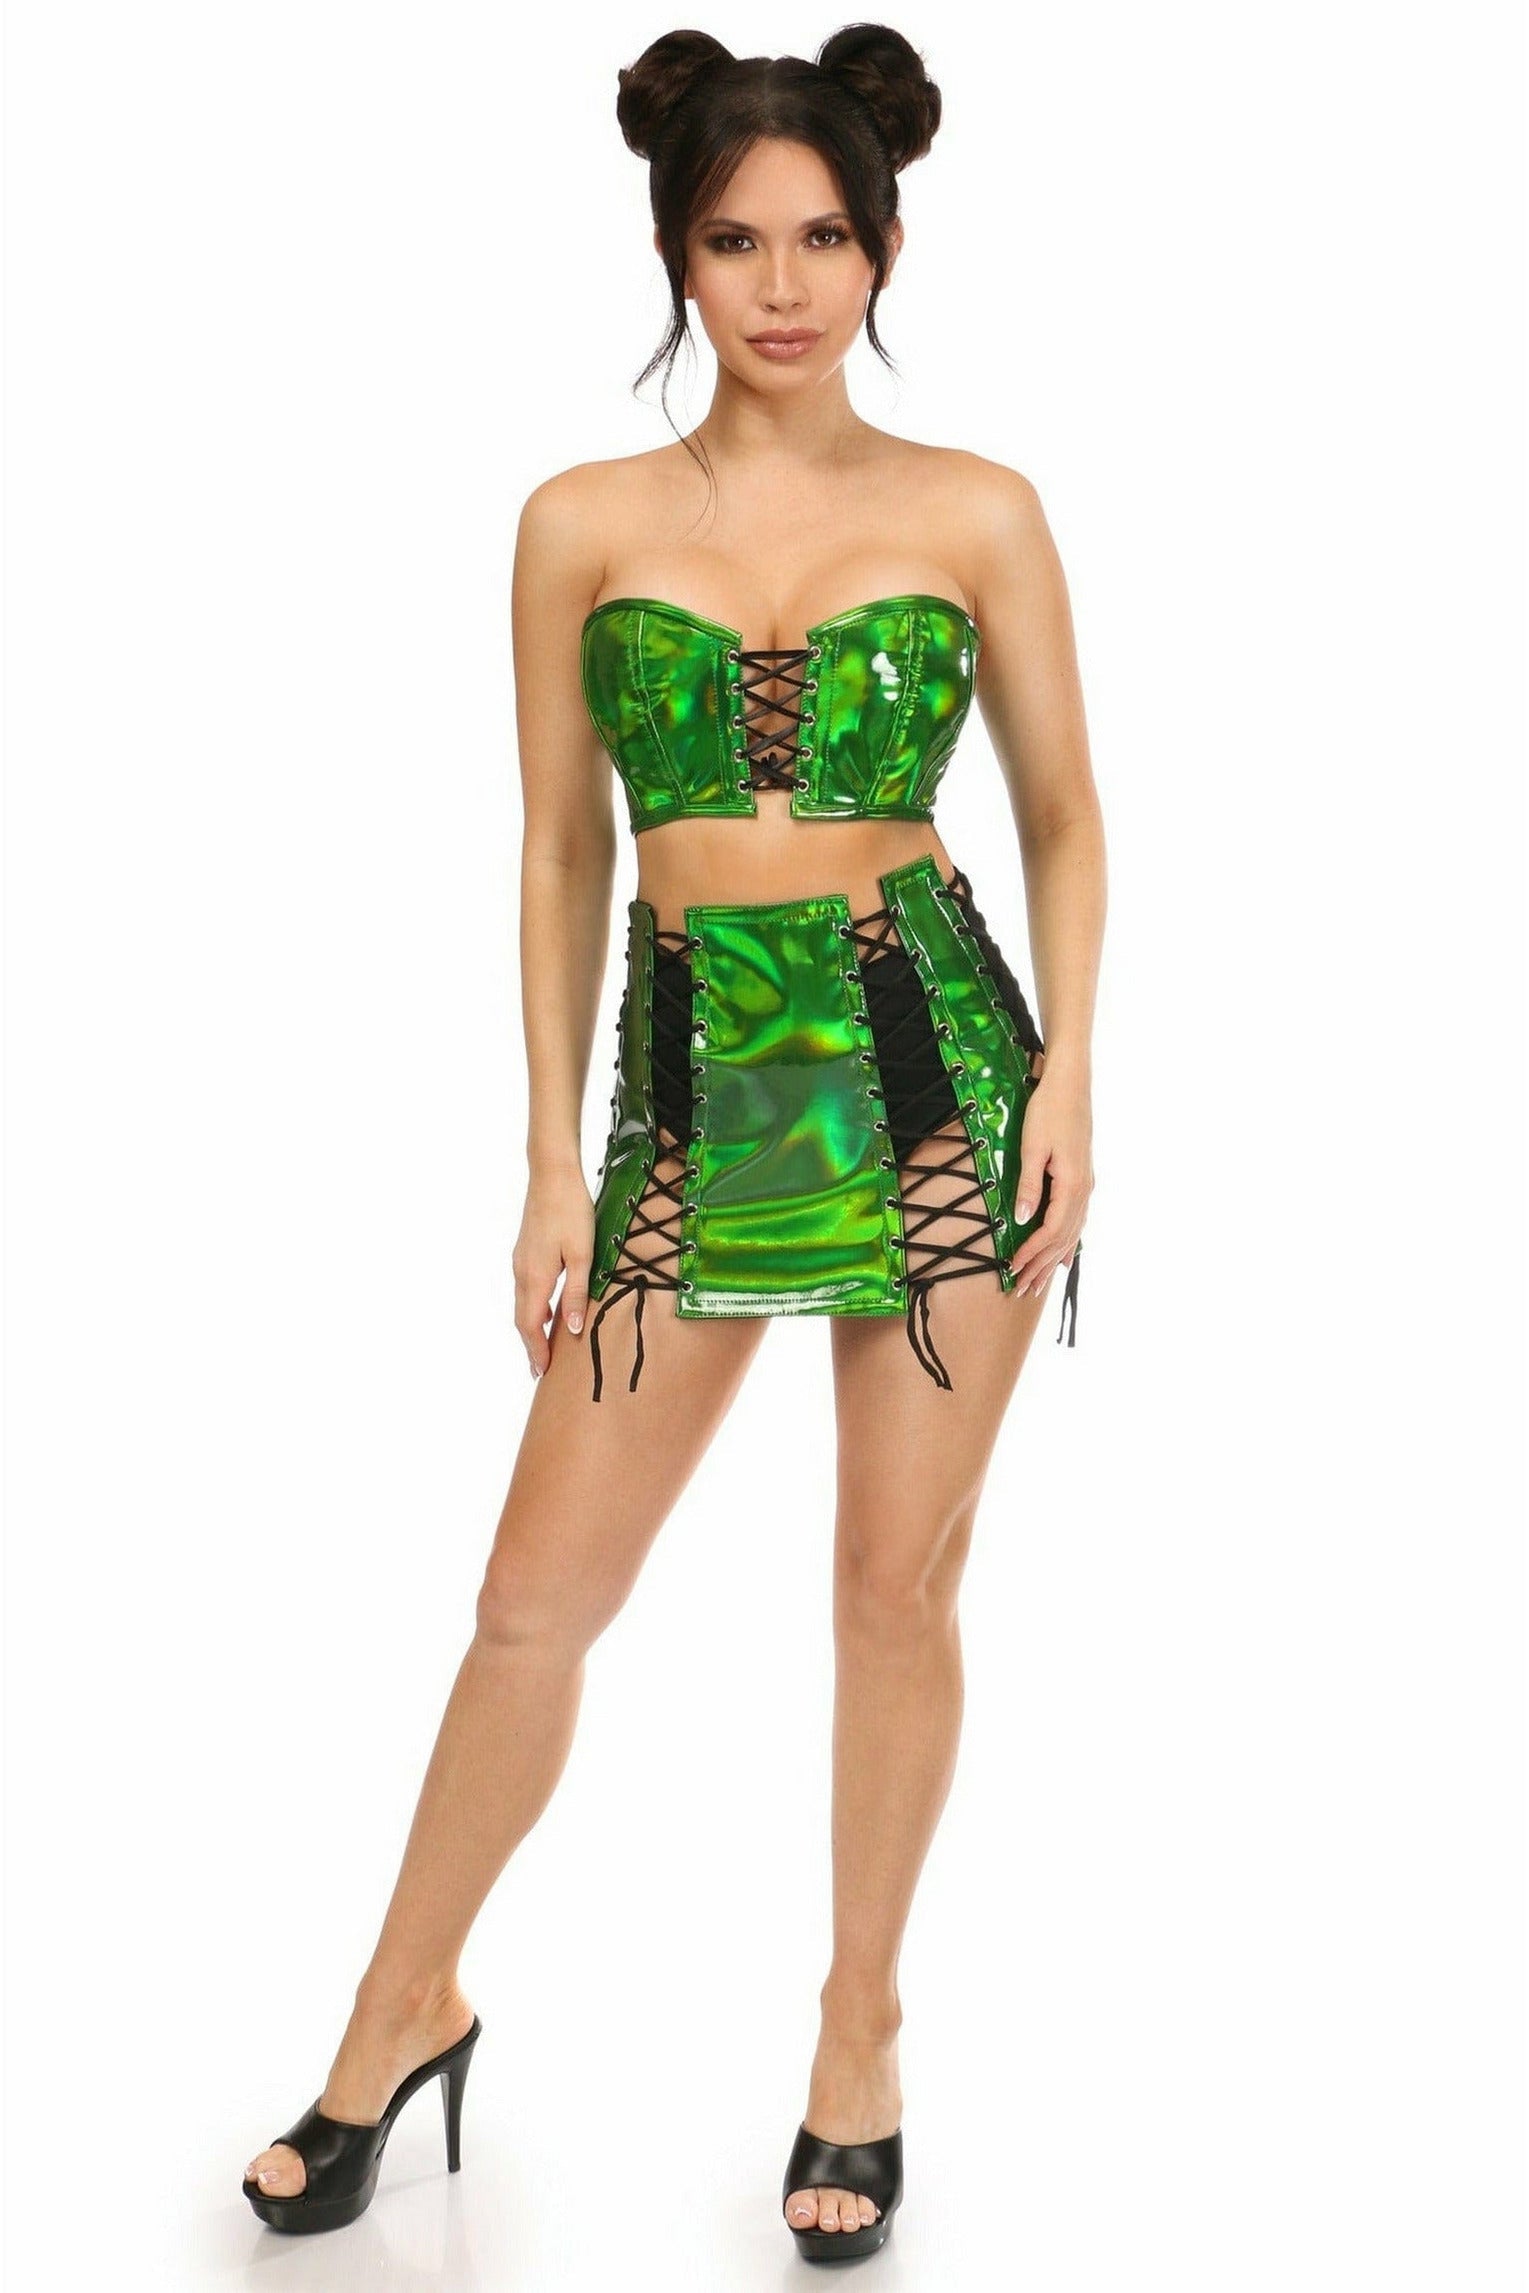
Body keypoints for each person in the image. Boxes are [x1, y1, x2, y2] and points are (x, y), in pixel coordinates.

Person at [241, 22, 1104, 2263]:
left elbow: (1065, 817)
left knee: (890, 1586)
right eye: (736, 241)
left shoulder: (979, 508)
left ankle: (857, 2043)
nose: (782, 285)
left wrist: (1075, 1080)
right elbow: (558, 852)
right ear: (673, 252)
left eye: (822, 238)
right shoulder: (578, 524)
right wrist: (550, 1158)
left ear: (886, 246)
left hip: (933, 1077)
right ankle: (401, 2005)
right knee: (531, 1599)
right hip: (693, 1088)